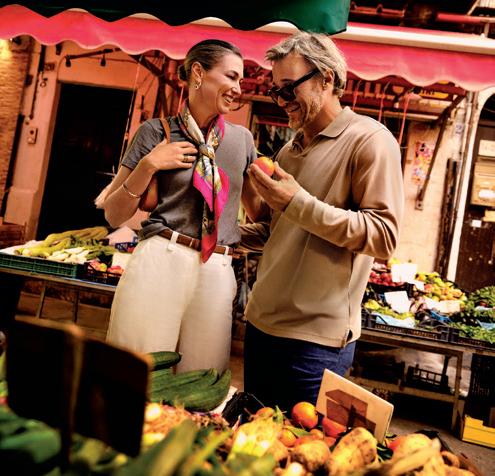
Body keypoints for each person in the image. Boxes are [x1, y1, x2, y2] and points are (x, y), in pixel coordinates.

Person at [243, 32, 404, 411]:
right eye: (276, 91)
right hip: (260, 325)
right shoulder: (289, 150)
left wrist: (296, 201)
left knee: (303, 445)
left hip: (315, 344)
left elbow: (384, 236)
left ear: (326, 79)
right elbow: (279, 232)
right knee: (251, 439)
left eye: (289, 88)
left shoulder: (369, 141)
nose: (282, 100)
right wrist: (221, 231)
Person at [103, 39, 261, 373]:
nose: (238, 88)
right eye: (231, 76)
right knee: (141, 371)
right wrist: (149, 165)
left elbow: (258, 212)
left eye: (241, 80)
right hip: (161, 258)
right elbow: (114, 214)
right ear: (199, 73)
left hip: (217, 268)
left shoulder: (242, 141)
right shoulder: (154, 133)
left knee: (203, 378)